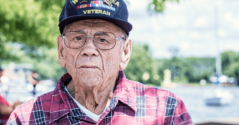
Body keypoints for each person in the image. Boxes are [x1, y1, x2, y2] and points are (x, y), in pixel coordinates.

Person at [7, 0, 193, 124]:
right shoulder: (24, 119)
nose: (89, 49)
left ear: (125, 52)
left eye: (103, 39)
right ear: (61, 50)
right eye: (78, 38)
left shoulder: (167, 111)